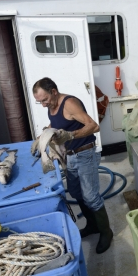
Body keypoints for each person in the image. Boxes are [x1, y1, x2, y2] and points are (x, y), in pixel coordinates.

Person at [32, 77, 113, 254]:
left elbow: (93, 126)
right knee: (76, 193)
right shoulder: (52, 106)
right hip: (70, 156)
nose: (44, 104)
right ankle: (92, 225)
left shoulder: (69, 103)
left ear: (54, 91)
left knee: (91, 196)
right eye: (40, 102)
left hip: (85, 153)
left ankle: (107, 232)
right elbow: (57, 123)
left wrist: (69, 136)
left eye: (45, 100)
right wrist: (44, 134)